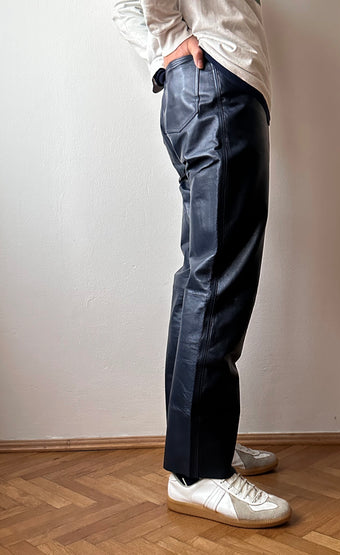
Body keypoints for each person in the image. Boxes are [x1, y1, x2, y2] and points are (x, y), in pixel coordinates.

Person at [112, 0, 292, 528]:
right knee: (217, 280)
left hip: (206, 87)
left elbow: (123, 7)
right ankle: (198, 473)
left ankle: (202, 441)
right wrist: (170, 41)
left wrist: (168, 53)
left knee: (202, 277)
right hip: (218, 86)